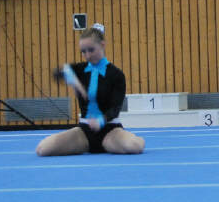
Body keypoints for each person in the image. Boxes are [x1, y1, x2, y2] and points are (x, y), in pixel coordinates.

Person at [35, 24, 145, 156]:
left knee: (134, 146)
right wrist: (68, 75)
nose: (87, 55)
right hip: (84, 133)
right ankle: (86, 146)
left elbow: (115, 108)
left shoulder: (116, 74)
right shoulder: (80, 70)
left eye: (91, 50)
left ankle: (134, 139)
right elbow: (56, 73)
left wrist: (101, 121)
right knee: (43, 149)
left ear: (102, 45)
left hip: (110, 132)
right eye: (83, 51)